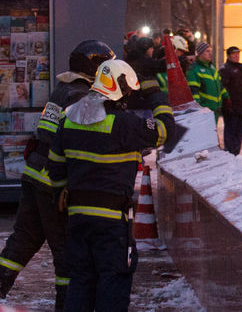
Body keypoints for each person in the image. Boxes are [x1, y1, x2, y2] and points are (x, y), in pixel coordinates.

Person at [0, 40, 115, 310]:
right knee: (66, 249)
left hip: (34, 176)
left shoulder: (64, 88)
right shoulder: (80, 96)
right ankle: (66, 305)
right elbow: (82, 142)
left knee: (24, 239)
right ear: (95, 66)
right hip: (54, 182)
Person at [47, 59, 178, 311]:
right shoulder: (124, 125)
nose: (129, 97)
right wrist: (156, 96)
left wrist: (64, 193)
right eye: (128, 91)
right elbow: (166, 131)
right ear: (119, 88)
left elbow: (55, 166)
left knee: (81, 280)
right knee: (114, 279)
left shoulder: (68, 119)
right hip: (111, 223)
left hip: (77, 219)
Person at [219, 46, 242, 155]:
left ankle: (236, 153)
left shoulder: (240, 69)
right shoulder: (225, 69)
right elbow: (223, 87)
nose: (237, 56)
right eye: (234, 54)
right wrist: (227, 104)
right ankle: (230, 153)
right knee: (230, 131)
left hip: (240, 107)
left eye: (238, 53)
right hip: (231, 107)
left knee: (238, 132)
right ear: (228, 55)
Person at [186, 42, 227, 122]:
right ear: (200, 53)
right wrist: (197, 108)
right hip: (205, 110)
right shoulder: (194, 69)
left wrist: (226, 96)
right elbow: (194, 90)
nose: (210, 53)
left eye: (211, 51)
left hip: (216, 109)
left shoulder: (212, 67)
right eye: (207, 51)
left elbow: (219, 84)